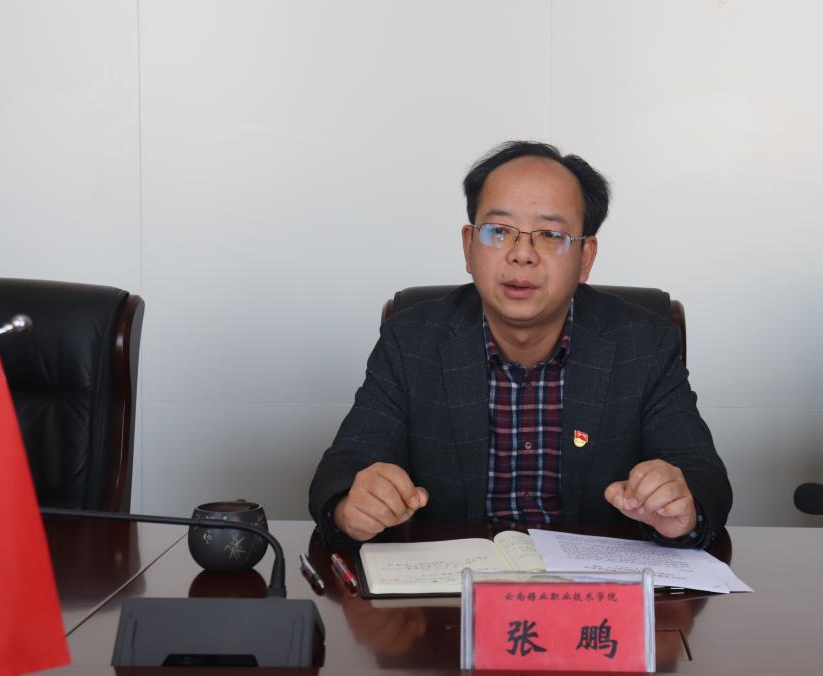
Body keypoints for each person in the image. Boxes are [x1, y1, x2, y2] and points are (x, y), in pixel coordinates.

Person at [309, 141, 731, 548]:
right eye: (499, 231)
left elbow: (702, 474)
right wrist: (351, 507)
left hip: (590, 588)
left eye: (549, 234)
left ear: (585, 258)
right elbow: (343, 469)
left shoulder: (643, 343)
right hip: (452, 589)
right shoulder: (412, 339)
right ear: (469, 246)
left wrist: (681, 507)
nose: (522, 254)